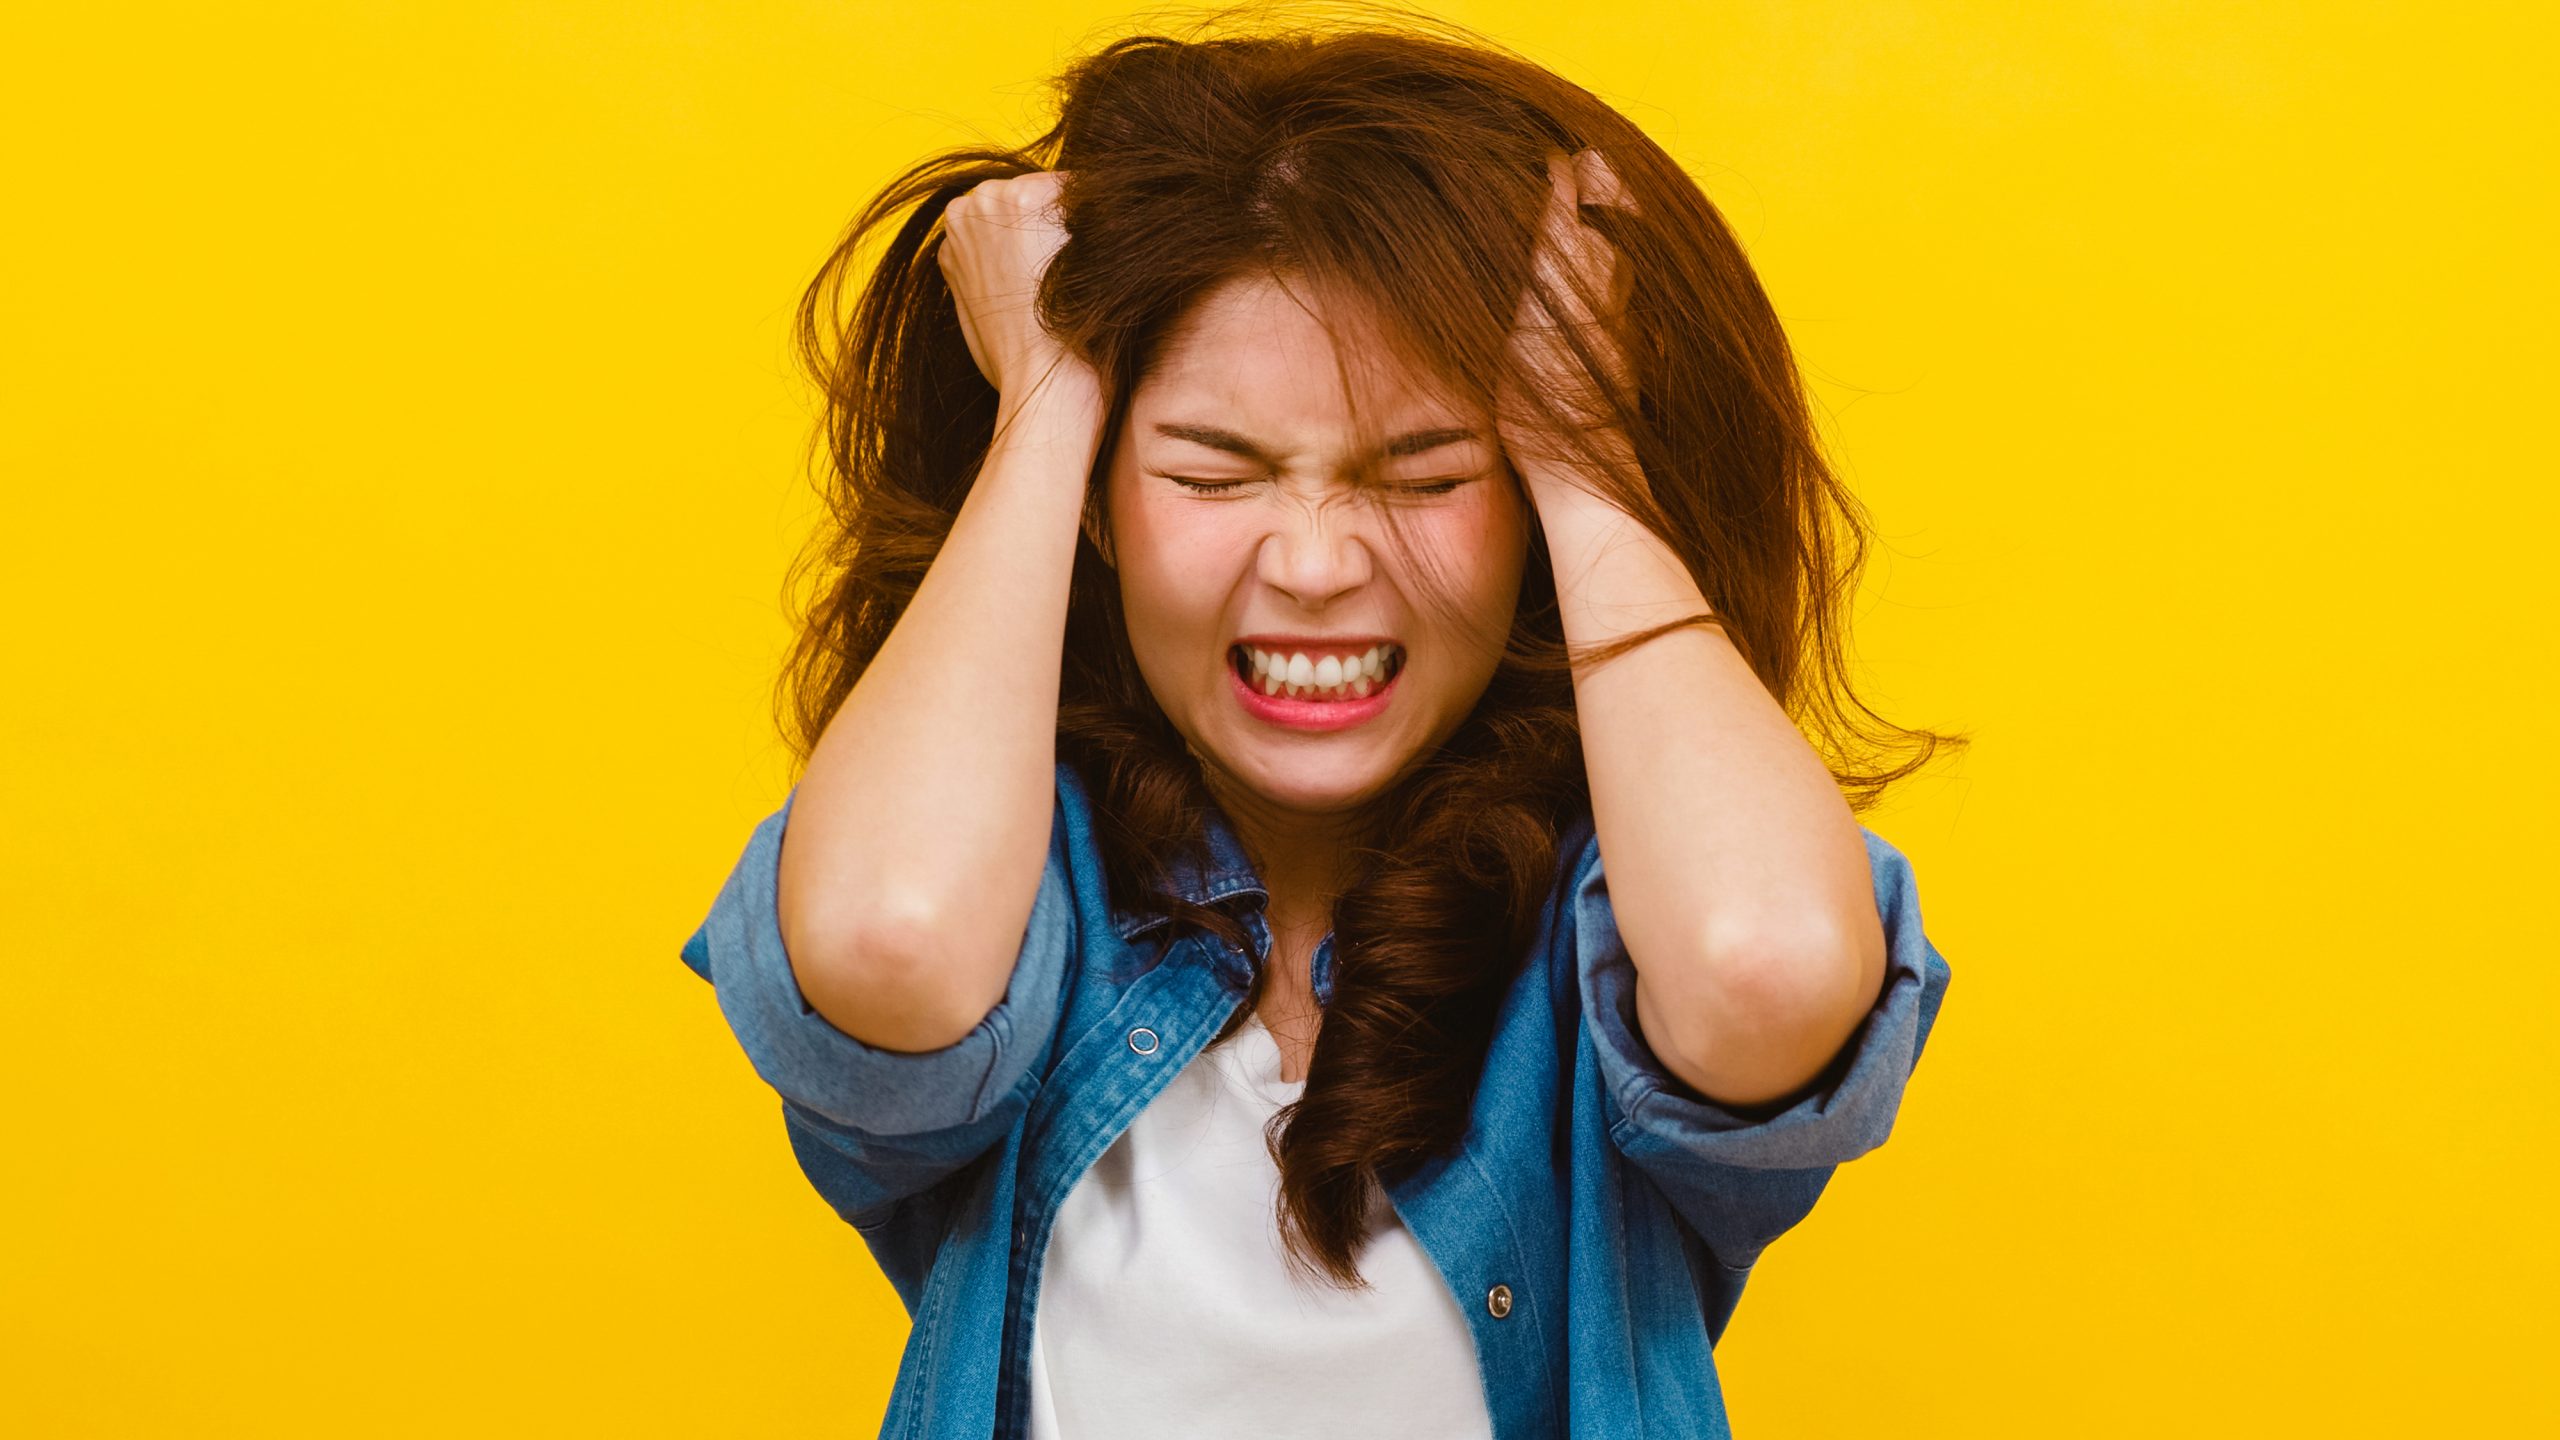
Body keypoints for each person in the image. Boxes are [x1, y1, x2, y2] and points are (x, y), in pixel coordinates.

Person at [678, 11, 1963, 1438]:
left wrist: (1579, 450)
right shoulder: (1022, 909)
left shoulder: (1608, 932)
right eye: (1213, 474)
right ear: (1097, 507)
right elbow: (885, 938)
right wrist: (1046, 405)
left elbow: (1767, 969)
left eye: (1423, 476)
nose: (1312, 562)